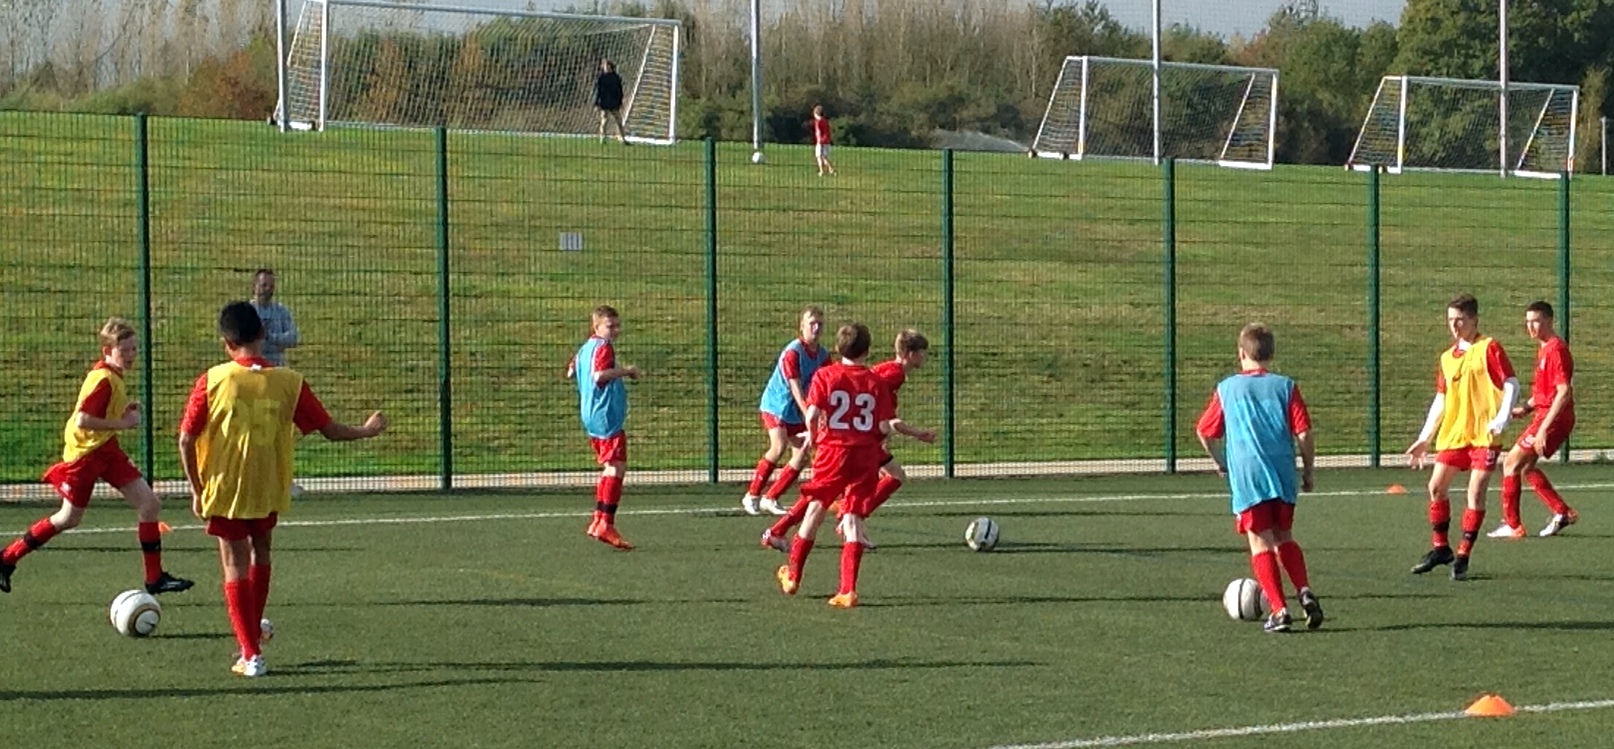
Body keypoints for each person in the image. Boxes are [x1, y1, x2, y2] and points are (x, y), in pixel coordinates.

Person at [179, 302, 386, 677]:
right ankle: (253, 636)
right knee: (261, 552)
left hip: (226, 486)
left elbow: (186, 439)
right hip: (268, 484)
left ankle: (250, 654)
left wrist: (197, 488)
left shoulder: (213, 380)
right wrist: (367, 430)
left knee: (233, 564)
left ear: (227, 343)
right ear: (262, 334)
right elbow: (329, 430)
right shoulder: (290, 382)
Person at [0, 318, 194, 596]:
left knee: (149, 503)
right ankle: (7, 558)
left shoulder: (112, 375)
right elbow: (83, 419)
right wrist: (123, 423)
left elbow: (97, 413)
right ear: (107, 351)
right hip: (85, 456)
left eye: (134, 349)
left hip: (105, 449)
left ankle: (155, 579)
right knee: (68, 518)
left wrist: (120, 411)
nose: (131, 355)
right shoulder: (104, 380)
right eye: (124, 350)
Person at [1195, 323, 1320, 633]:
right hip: (1283, 472)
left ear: (1241, 353)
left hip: (1249, 475)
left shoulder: (1227, 389)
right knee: (1284, 535)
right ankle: (1304, 591)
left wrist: (1220, 463)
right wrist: (1308, 470)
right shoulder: (1286, 386)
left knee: (1259, 541)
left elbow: (1204, 432)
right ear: (1271, 354)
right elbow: (1304, 433)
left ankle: (1279, 610)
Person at [761, 329, 935, 551]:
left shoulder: (892, 372)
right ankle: (848, 518)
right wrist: (918, 433)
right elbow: (883, 416)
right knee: (831, 491)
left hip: (855, 436)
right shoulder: (894, 374)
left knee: (826, 492)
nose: (925, 357)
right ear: (912, 354)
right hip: (853, 440)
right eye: (923, 352)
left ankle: (845, 520)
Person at [774, 323, 894, 609]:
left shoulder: (825, 375)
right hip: (864, 455)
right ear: (867, 351)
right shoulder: (875, 382)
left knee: (815, 509)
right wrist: (875, 443)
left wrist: (815, 438)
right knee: (852, 517)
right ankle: (848, 590)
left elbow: (812, 414)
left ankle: (793, 575)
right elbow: (884, 426)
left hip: (833, 452)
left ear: (838, 349)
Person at [1406, 294, 1519, 581]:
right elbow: (1441, 398)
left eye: (1460, 320)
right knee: (1436, 487)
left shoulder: (1488, 347)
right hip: (1455, 433)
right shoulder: (1447, 357)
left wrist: (1503, 416)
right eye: (1450, 320)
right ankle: (1441, 549)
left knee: (1475, 491)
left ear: (1474, 320)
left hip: (1484, 434)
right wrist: (1425, 437)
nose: (1454, 326)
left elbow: (1511, 383)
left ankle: (1463, 555)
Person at [1489, 300, 1578, 539]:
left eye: (1536, 321)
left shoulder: (1556, 349)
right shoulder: (1545, 347)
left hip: (1553, 418)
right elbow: (1546, 391)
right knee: (1526, 467)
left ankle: (1513, 525)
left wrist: (1543, 429)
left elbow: (1563, 392)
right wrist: (1526, 408)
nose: (1530, 327)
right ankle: (1562, 512)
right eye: (1528, 322)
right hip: (1546, 415)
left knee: (1510, 463)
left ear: (1549, 321)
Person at [742, 306, 829, 516]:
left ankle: (771, 497)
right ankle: (752, 495)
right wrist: (809, 415)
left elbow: (827, 386)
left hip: (796, 412)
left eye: (820, 324)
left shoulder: (823, 356)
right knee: (779, 445)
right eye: (812, 323)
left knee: (802, 453)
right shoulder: (793, 352)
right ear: (802, 326)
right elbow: (795, 388)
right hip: (777, 405)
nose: (816, 328)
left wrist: (824, 414)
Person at [567, 305, 639, 550]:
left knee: (611, 466)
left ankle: (598, 520)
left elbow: (571, 371)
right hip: (605, 414)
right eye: (610, 326)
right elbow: (599, 376)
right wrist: (627, 371)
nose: (616, 330)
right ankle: (605, 523)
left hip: (590, 413)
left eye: (618, 326)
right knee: (616, 467)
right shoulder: (603, 347)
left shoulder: (585, 348)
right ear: (596, 327)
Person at [250, 269, 300, 368]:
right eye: (264, 285)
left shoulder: (281, 311)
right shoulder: (247, 311)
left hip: (276, 366)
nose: (268, 289)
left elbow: (294, 338)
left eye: (271, 286)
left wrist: (271, 337)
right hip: (253, 366)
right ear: (254, 286)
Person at [594, 58, 627, 145]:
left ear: (610, 66)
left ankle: (622, 138)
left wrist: (620, 102)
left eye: (606, 65)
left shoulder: (616, 77)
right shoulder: (601, 77)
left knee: (619, 120)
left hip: (614, 102)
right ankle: (602, 138)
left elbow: (619, 90)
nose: (605, 67)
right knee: (604, 120)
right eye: (604, 66)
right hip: (604, 102)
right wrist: (597, 102)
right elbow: (598, 91)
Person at [811, 105, 836, 176]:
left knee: (820, 156)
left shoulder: (818, 122)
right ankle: (829, 169)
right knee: (824, 157)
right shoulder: (825, 121)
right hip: (826, 141)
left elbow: (819, 132)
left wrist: (819, 141)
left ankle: (824, 170)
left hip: (821, 141)